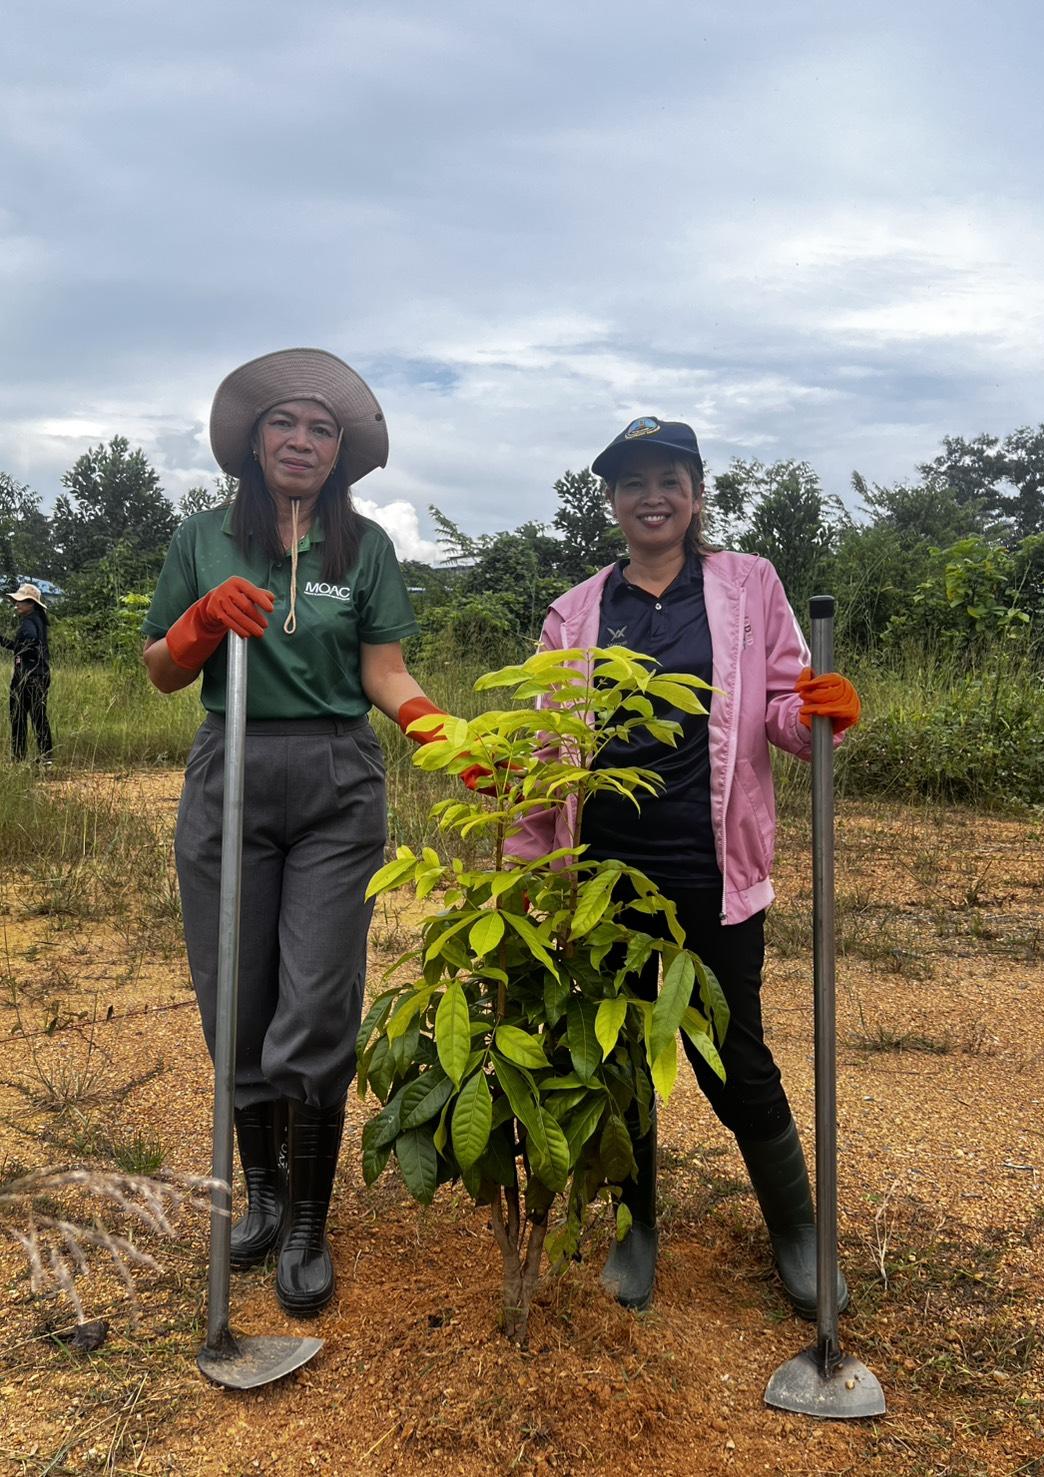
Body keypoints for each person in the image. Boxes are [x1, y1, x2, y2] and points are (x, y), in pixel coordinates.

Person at [506, 416, 861, 1318]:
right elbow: (547, 750)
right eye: (633, 482)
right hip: (605, 876)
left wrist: (814, 712)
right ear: (612, 502)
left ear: (697, 493)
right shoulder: (576, 611)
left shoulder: (749, 584)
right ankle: (636, 1224)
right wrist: (528, 868)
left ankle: (798, 1228)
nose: (652, 496)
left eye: (669, 479)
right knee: (620, 1050)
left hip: (714, 870)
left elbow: (780, 703)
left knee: (734, 1051)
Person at [141, 348, 460, 1316]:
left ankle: (311, 1220)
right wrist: (200, 623)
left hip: (334, 779)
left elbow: (384, 671)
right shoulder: (201, 538)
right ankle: (267, 1193)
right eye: (284, 423)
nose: (302, 441)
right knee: (234, 994)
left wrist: (440, 733)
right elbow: (161, 668)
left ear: (339, 454)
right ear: (252, 440)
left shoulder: (364, 548)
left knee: (317, 998)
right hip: (229, 768)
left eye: (322, 430)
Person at [2, 583, 53, 764]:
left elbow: (30, 641)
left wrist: (21, 653)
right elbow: (23, 645)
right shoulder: (38, 620)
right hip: (40, 674)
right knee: (39, 716)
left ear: (31, 603)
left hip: (27, 675)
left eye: (21, 601)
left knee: (18, 716)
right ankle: (46, 756)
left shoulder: (29, 622)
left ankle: (18, 757)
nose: (16, 604)